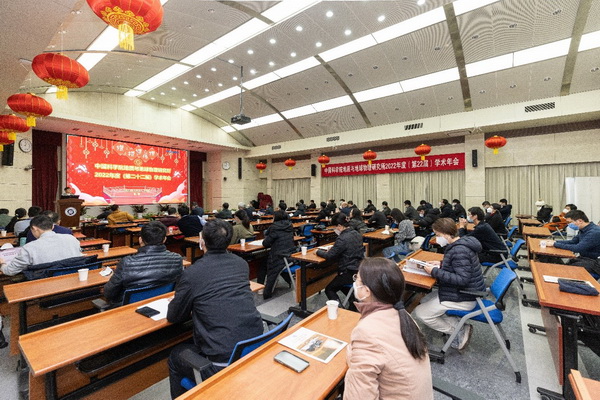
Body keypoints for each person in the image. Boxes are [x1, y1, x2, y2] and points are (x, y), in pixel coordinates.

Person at [167, 219, 263, 398]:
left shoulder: (192, 273)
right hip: (253, 345)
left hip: (221, 361)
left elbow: (174, 316)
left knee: (175, 355)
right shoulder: (241, 264)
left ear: (202, 241)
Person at [344, 257, 432, 400]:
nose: (355, 282)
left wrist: (352, 360)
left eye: (357, 279)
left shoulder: (367, 332)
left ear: (366, 291)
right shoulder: (405, 317)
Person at [413, 218, 485, 351]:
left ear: (446, 234)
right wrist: (441, 264)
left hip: (464, 296)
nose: (437, 239)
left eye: (438, 235)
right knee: (425, 300)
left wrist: (434, 271)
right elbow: (460, 266)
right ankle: (460, 326)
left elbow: (462, 279)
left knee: (421, 313)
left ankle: (457, 332)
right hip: (464, 291)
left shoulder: (459, 250)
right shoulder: (461, 243)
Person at [103, 221, 183, 305]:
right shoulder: (177, 259)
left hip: (130, 308)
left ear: (140, 240)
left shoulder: (126, 262)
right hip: (162, 304)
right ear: (164, 240)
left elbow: (108, 293)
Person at [0, 215, 82, 276]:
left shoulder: (29, 248)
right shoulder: (71, 239)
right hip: (72, 279)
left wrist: (2, 264)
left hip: (44, 285)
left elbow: (10, 271)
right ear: (52, 227)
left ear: (34, 228)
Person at [317, 213, 364, 307]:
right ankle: (353, 303)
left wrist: (318, 252)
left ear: (339, 226)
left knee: (329, 289)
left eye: (335, 227)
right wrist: (335, 249)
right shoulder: (356, 233)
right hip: (358, 269)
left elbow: (329, 255)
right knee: (340, 285)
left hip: (347, 272)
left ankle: (339, 309)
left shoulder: (342, 238)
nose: (334, 229)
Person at [547, 210, 600, 274]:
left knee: (565, 270)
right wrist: (555, 242)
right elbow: (573, 242)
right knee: (560, 265)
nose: (568, 224)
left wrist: (555, 244)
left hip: (595, 263)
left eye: (570, 222)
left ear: (580, 221)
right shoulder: (583, 229)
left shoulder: (594, 232)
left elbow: (577, 248)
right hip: (585, 259)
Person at [260, 210, 296, 299]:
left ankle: (262, 289)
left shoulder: (274, 227)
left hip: (278, 258)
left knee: (262, 263)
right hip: (290, 256)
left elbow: (265, 243)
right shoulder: (289, 226)